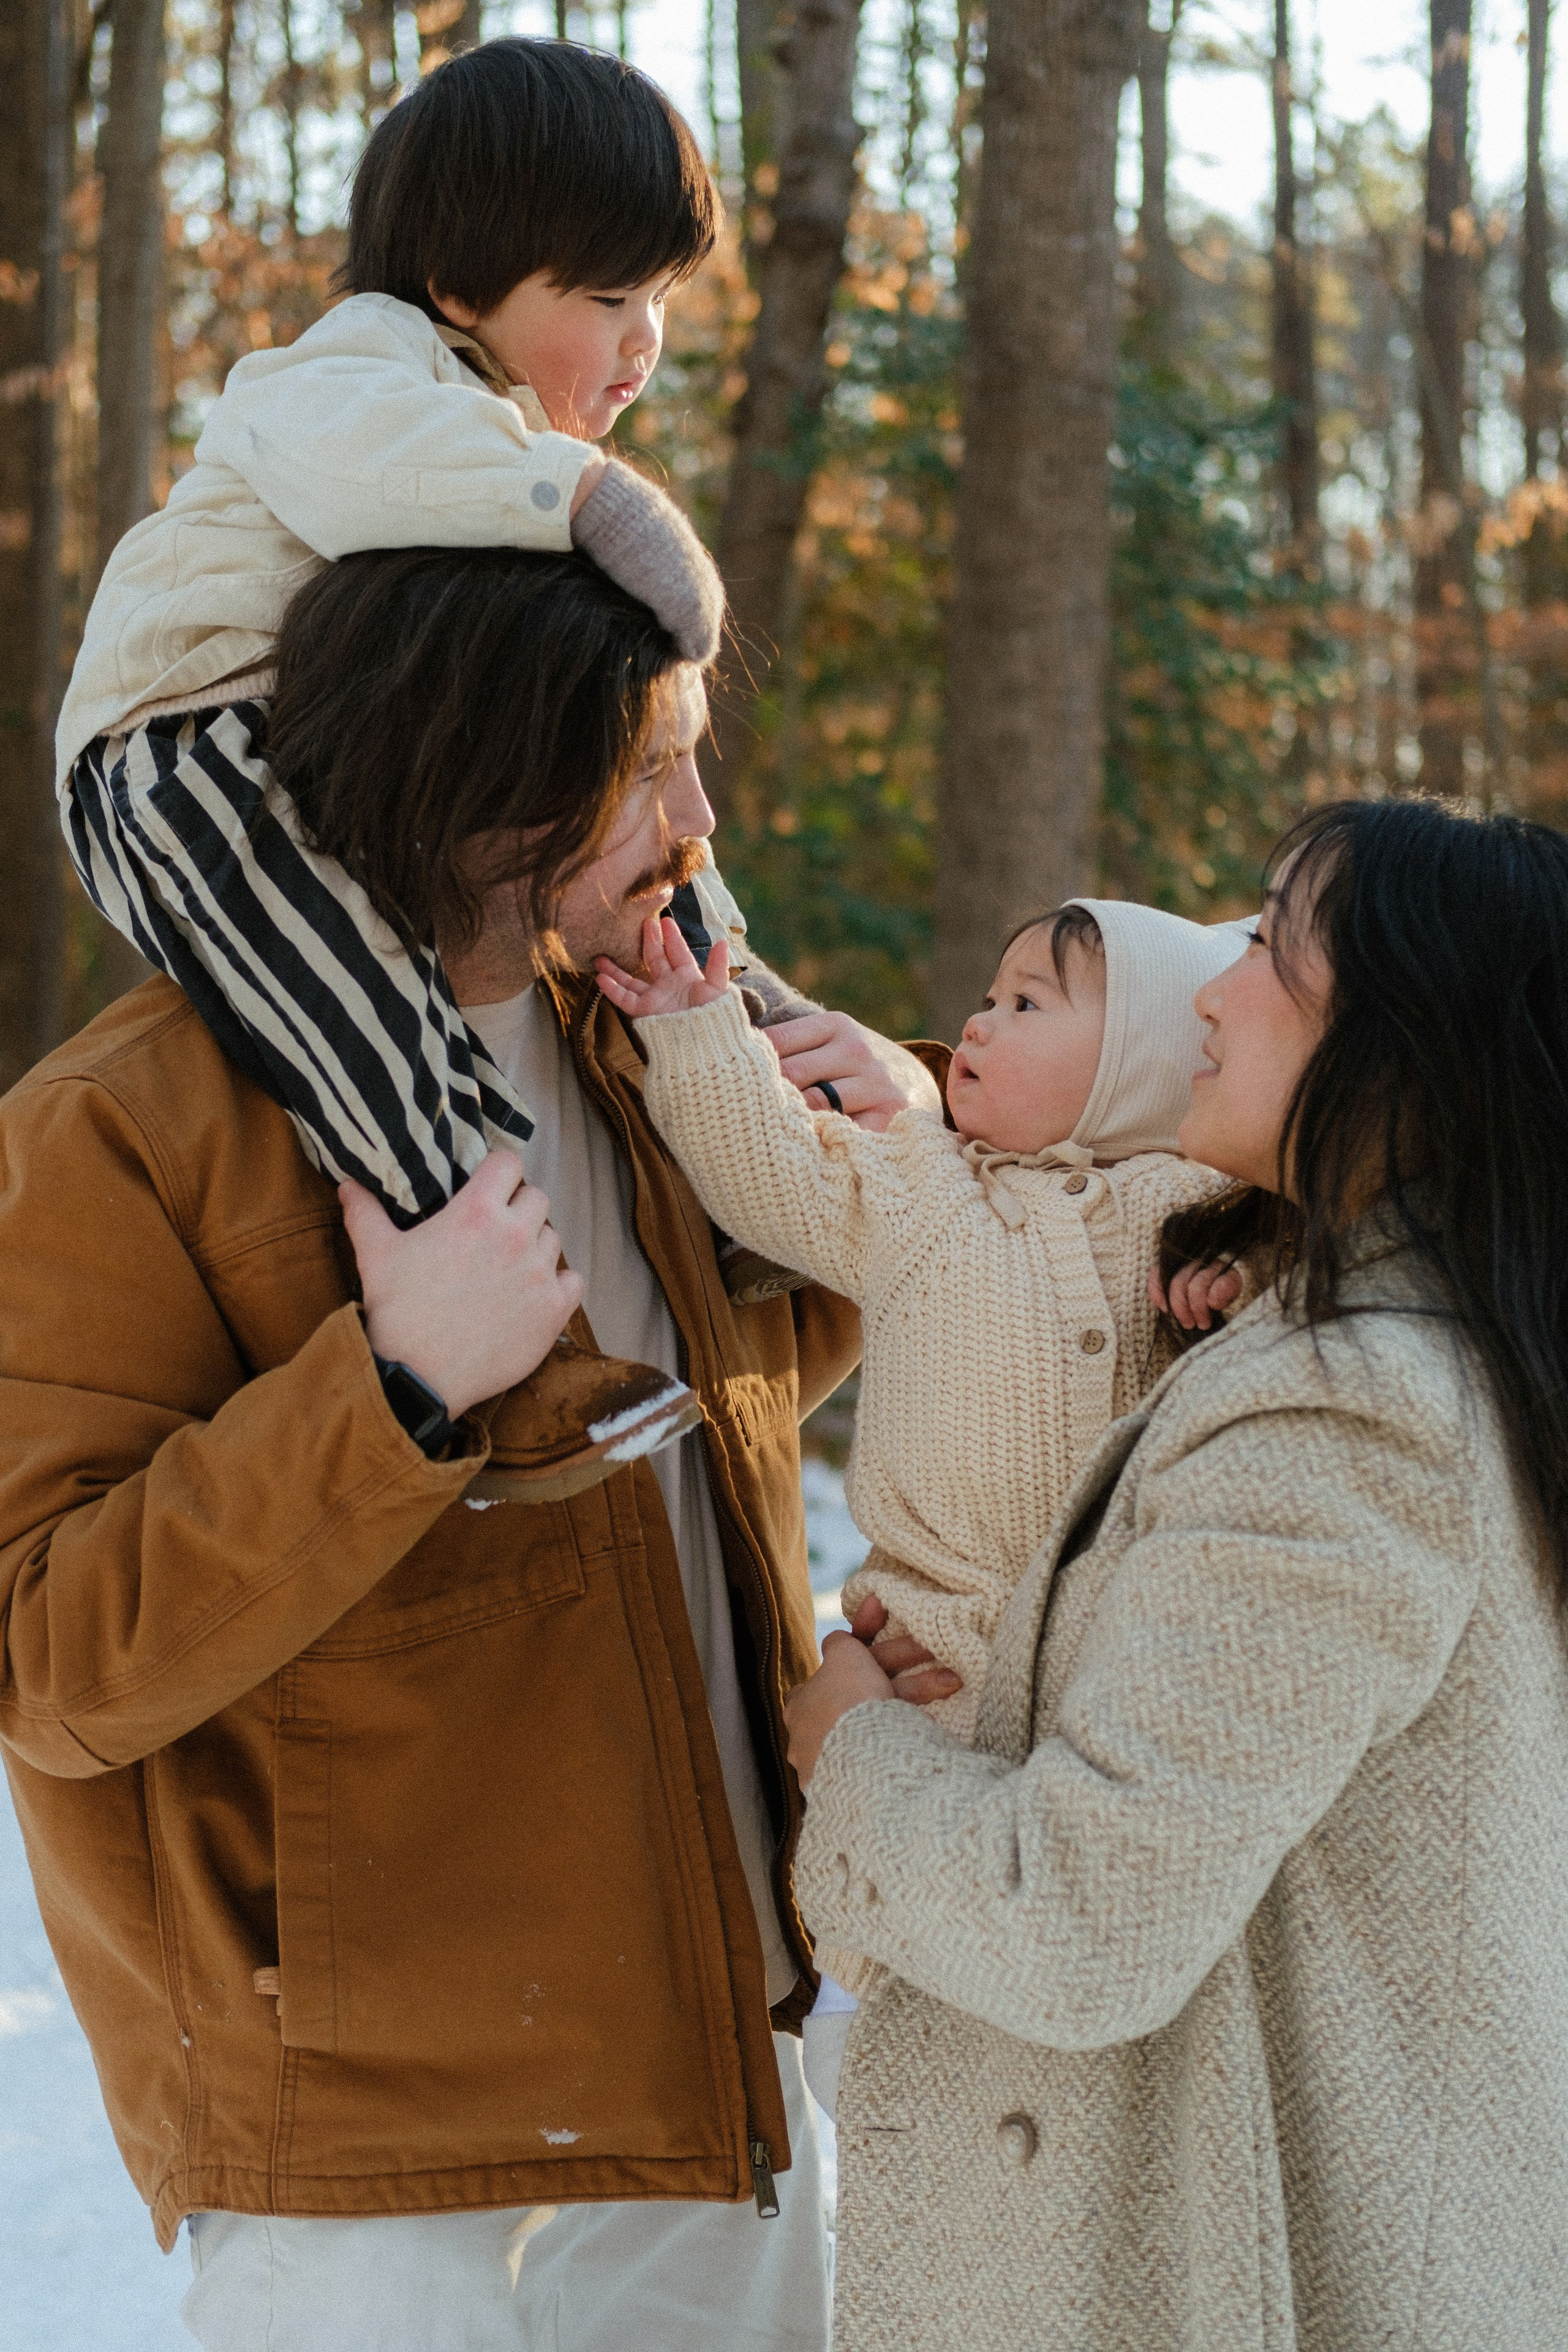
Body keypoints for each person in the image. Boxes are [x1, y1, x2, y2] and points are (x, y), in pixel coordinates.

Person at [0, 542, 938, 2352]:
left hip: (702, 2046)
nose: (702, 812)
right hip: (366, 2143)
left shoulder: (649, 1041)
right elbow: (49, 1657)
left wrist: (887, 1155)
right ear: (492, 777)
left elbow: (731, 1369)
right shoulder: (119, 1131)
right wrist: (401, 1390)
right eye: (651, 764)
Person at [782, 796, 1568, 2352]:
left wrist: (848, 1747)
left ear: (1402, 1047)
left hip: (1270, 2280)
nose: (1209, 988)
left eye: (1271, 947)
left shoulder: (1352, 1413)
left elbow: (1083, 1921)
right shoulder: (1414, 1356)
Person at [53, 38, 804, 1496]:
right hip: (177, 750)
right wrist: (596, 503)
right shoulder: (357, 371)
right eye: (606, 299)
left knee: (644, 833)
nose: (644, 341)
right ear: (460, 288)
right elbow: (381, 465)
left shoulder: (493, 437)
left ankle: (749, 1095)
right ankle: (498, 1350)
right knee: (365, 1019)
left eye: (660, 299)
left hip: (321, 745)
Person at [597, 895, 1243, 2097]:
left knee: (1058, 2012)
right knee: (897, 2012)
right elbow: (769, 1172)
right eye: (987, 996)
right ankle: (860, 2019)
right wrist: (697, 1035)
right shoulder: (918, 1186)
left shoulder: (1194, 1216)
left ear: (1144, 1056)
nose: (976, 1026)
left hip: (1093, 1716)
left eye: (1026, 1004)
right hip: (925, 1670)